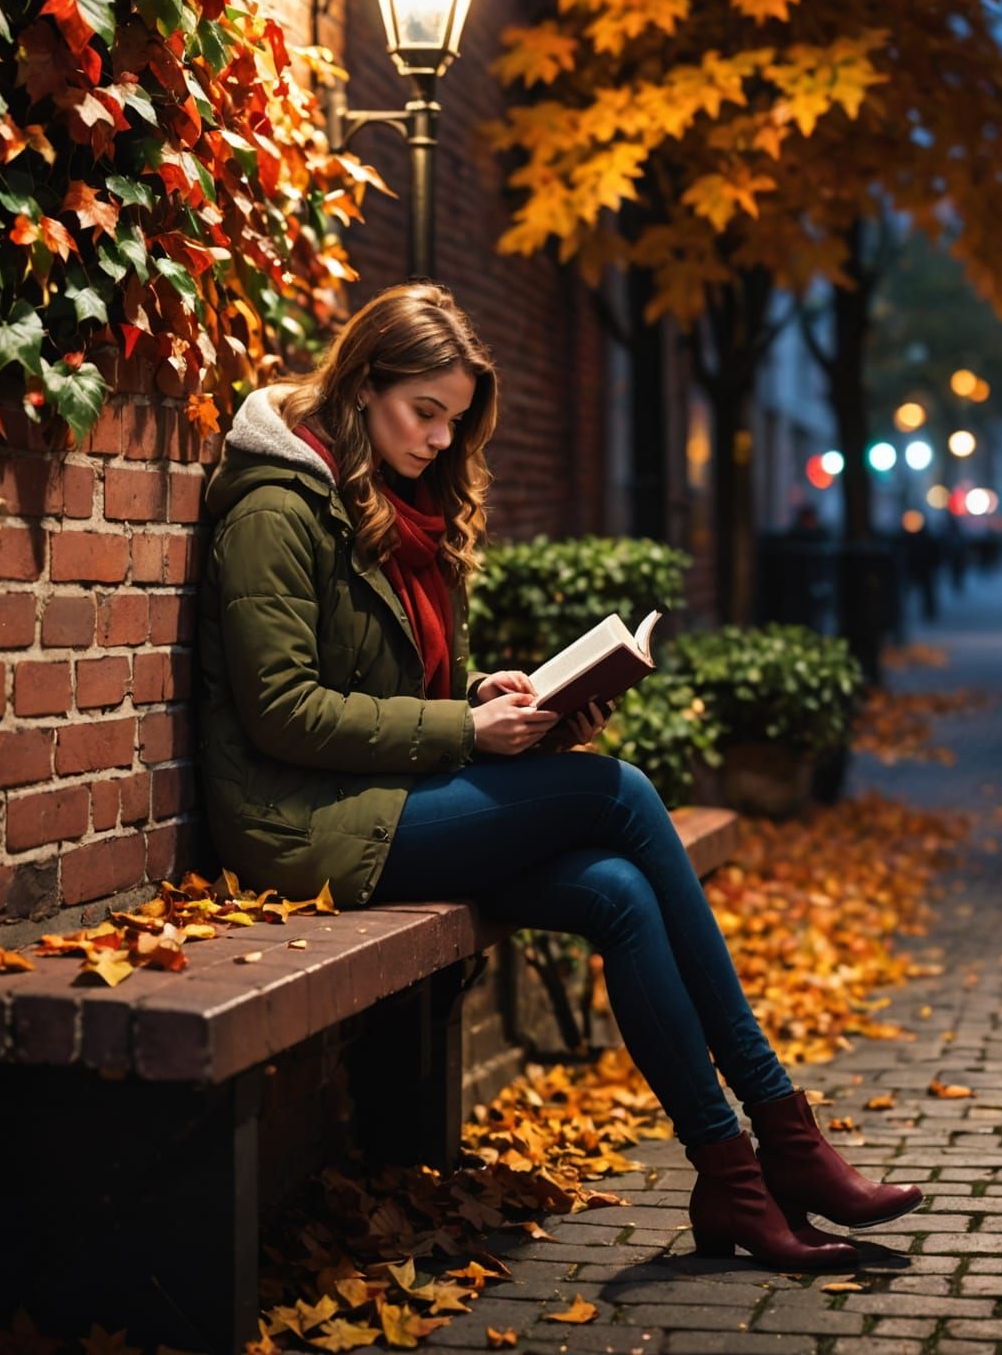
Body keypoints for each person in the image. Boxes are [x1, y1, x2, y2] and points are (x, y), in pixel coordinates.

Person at [197, 283, 920, 1271]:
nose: (443, 441)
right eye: (427, 413)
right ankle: (787, 1135)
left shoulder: (390, 502)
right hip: (302, 822)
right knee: (615, 793)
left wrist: (498, 693)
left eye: (456, 421)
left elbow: (388, 675)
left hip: (380, 802)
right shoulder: (277, 505)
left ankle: (734, 1182)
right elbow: (285, 711)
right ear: (365, 385)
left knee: (619, 894)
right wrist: (465, 727)